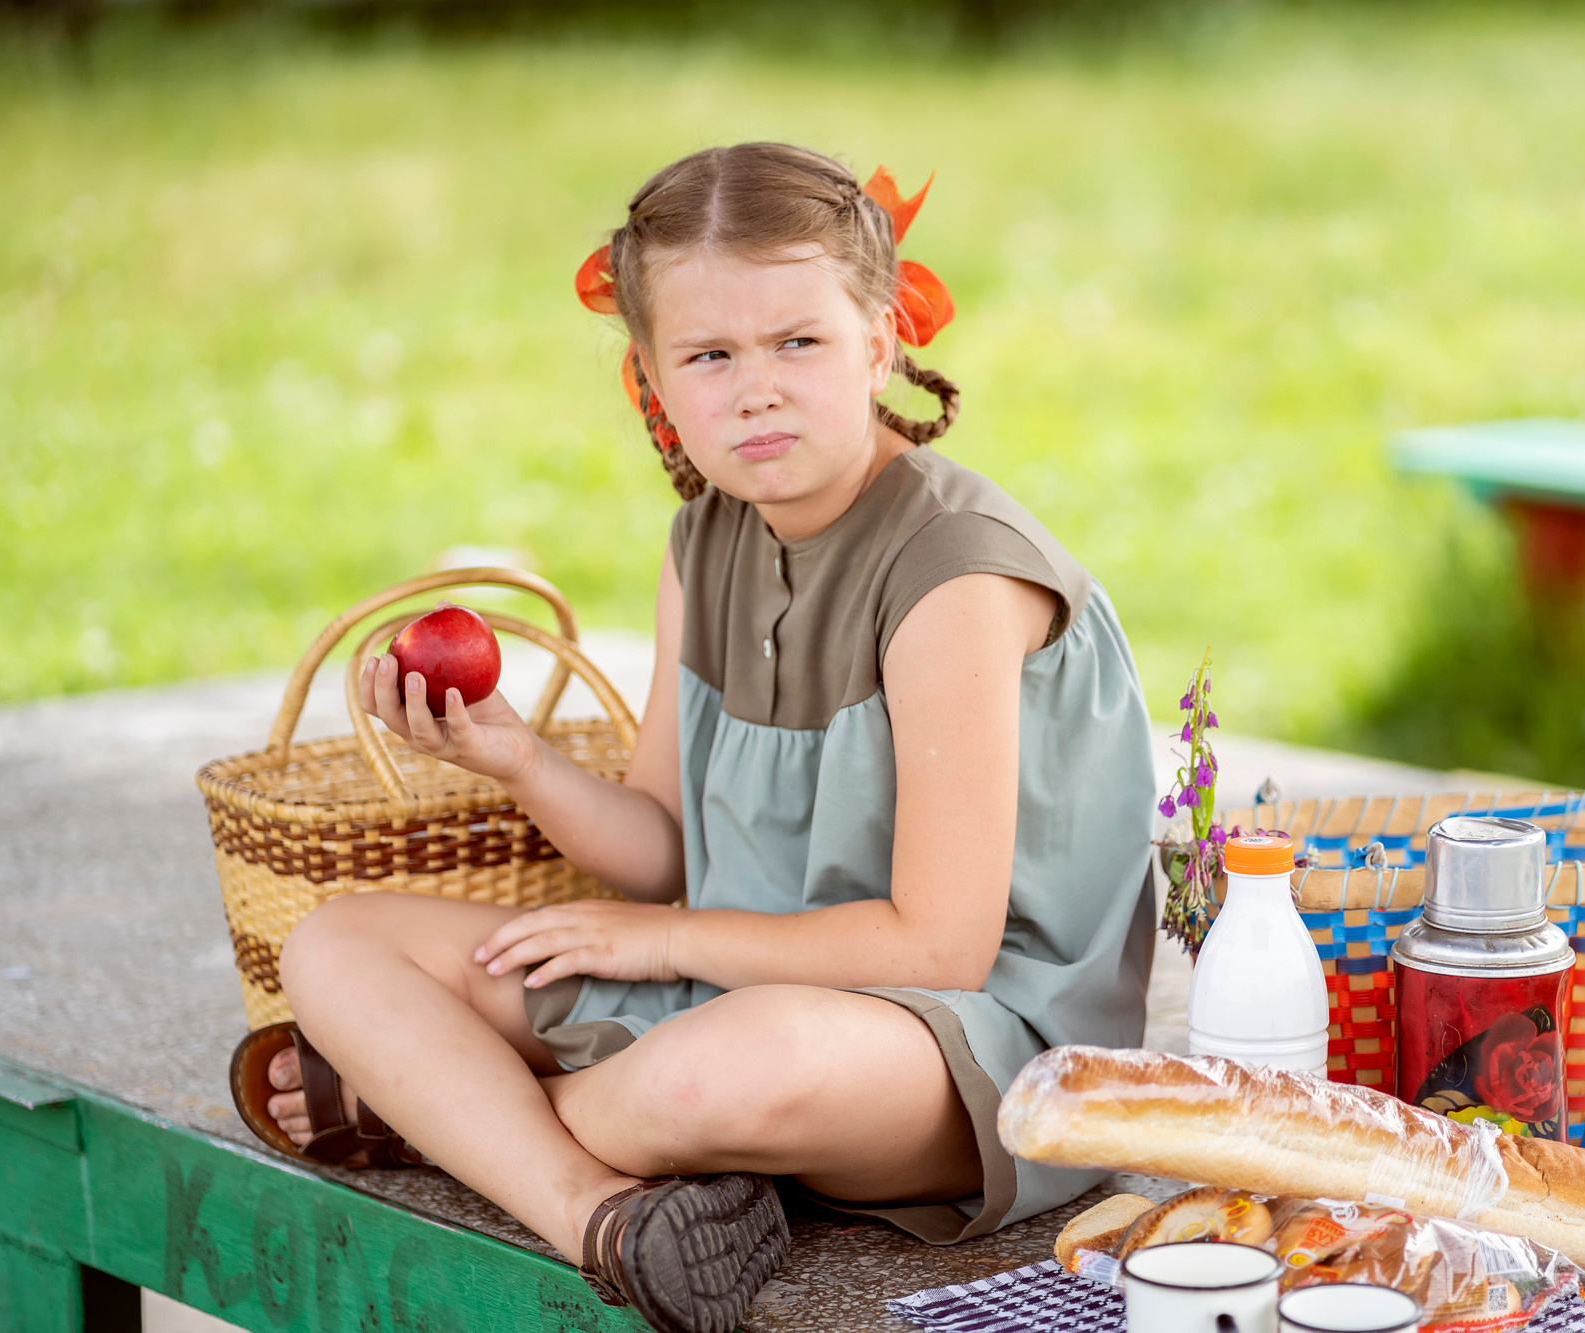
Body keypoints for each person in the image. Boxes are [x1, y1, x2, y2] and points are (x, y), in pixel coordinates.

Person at [226, 141, 1156, 1333]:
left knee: (714, 1069)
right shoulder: (703, 544)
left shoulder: (950, 576)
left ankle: (440, 1114)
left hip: (968, 1050)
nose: (754, 388)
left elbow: (937, 947)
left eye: (797, 342)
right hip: (729, 979)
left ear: (879, 342)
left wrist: (644, 939)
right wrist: (518, 757)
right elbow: (660, 846)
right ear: (652, 381)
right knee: (340, 944)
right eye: (708, 355)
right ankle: (600, 1215)